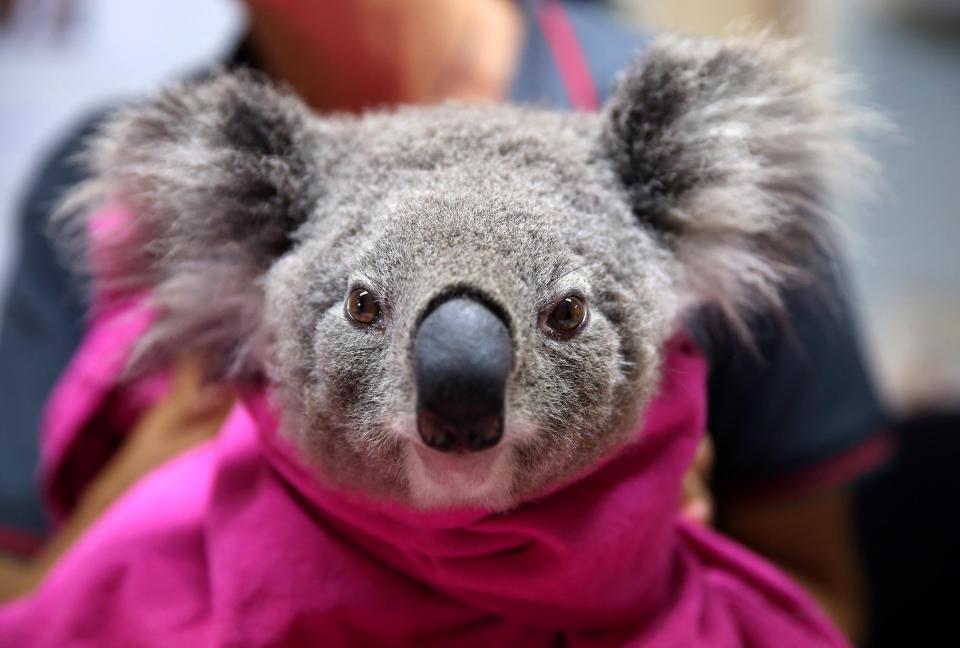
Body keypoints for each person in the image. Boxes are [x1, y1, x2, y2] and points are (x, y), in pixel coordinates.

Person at [0, 0, 889, 641]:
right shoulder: (143, 191)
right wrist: (136, 503)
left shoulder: (672, 136)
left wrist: (632, 547)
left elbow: (818, 597)